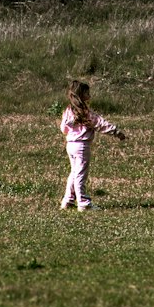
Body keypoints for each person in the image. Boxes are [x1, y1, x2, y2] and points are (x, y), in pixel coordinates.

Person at [59, 80, 125, 211]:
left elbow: (63, 128)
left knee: (73, 173)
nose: (89, 94)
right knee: (80, 175)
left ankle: (68, 200)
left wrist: (70, 133)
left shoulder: (68, 111)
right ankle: (83, 203)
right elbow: (101, 124)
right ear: (81, 94)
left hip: (70, 145)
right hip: (82, 146)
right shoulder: (85, 112)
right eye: (87, 92)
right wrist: (116, 132)